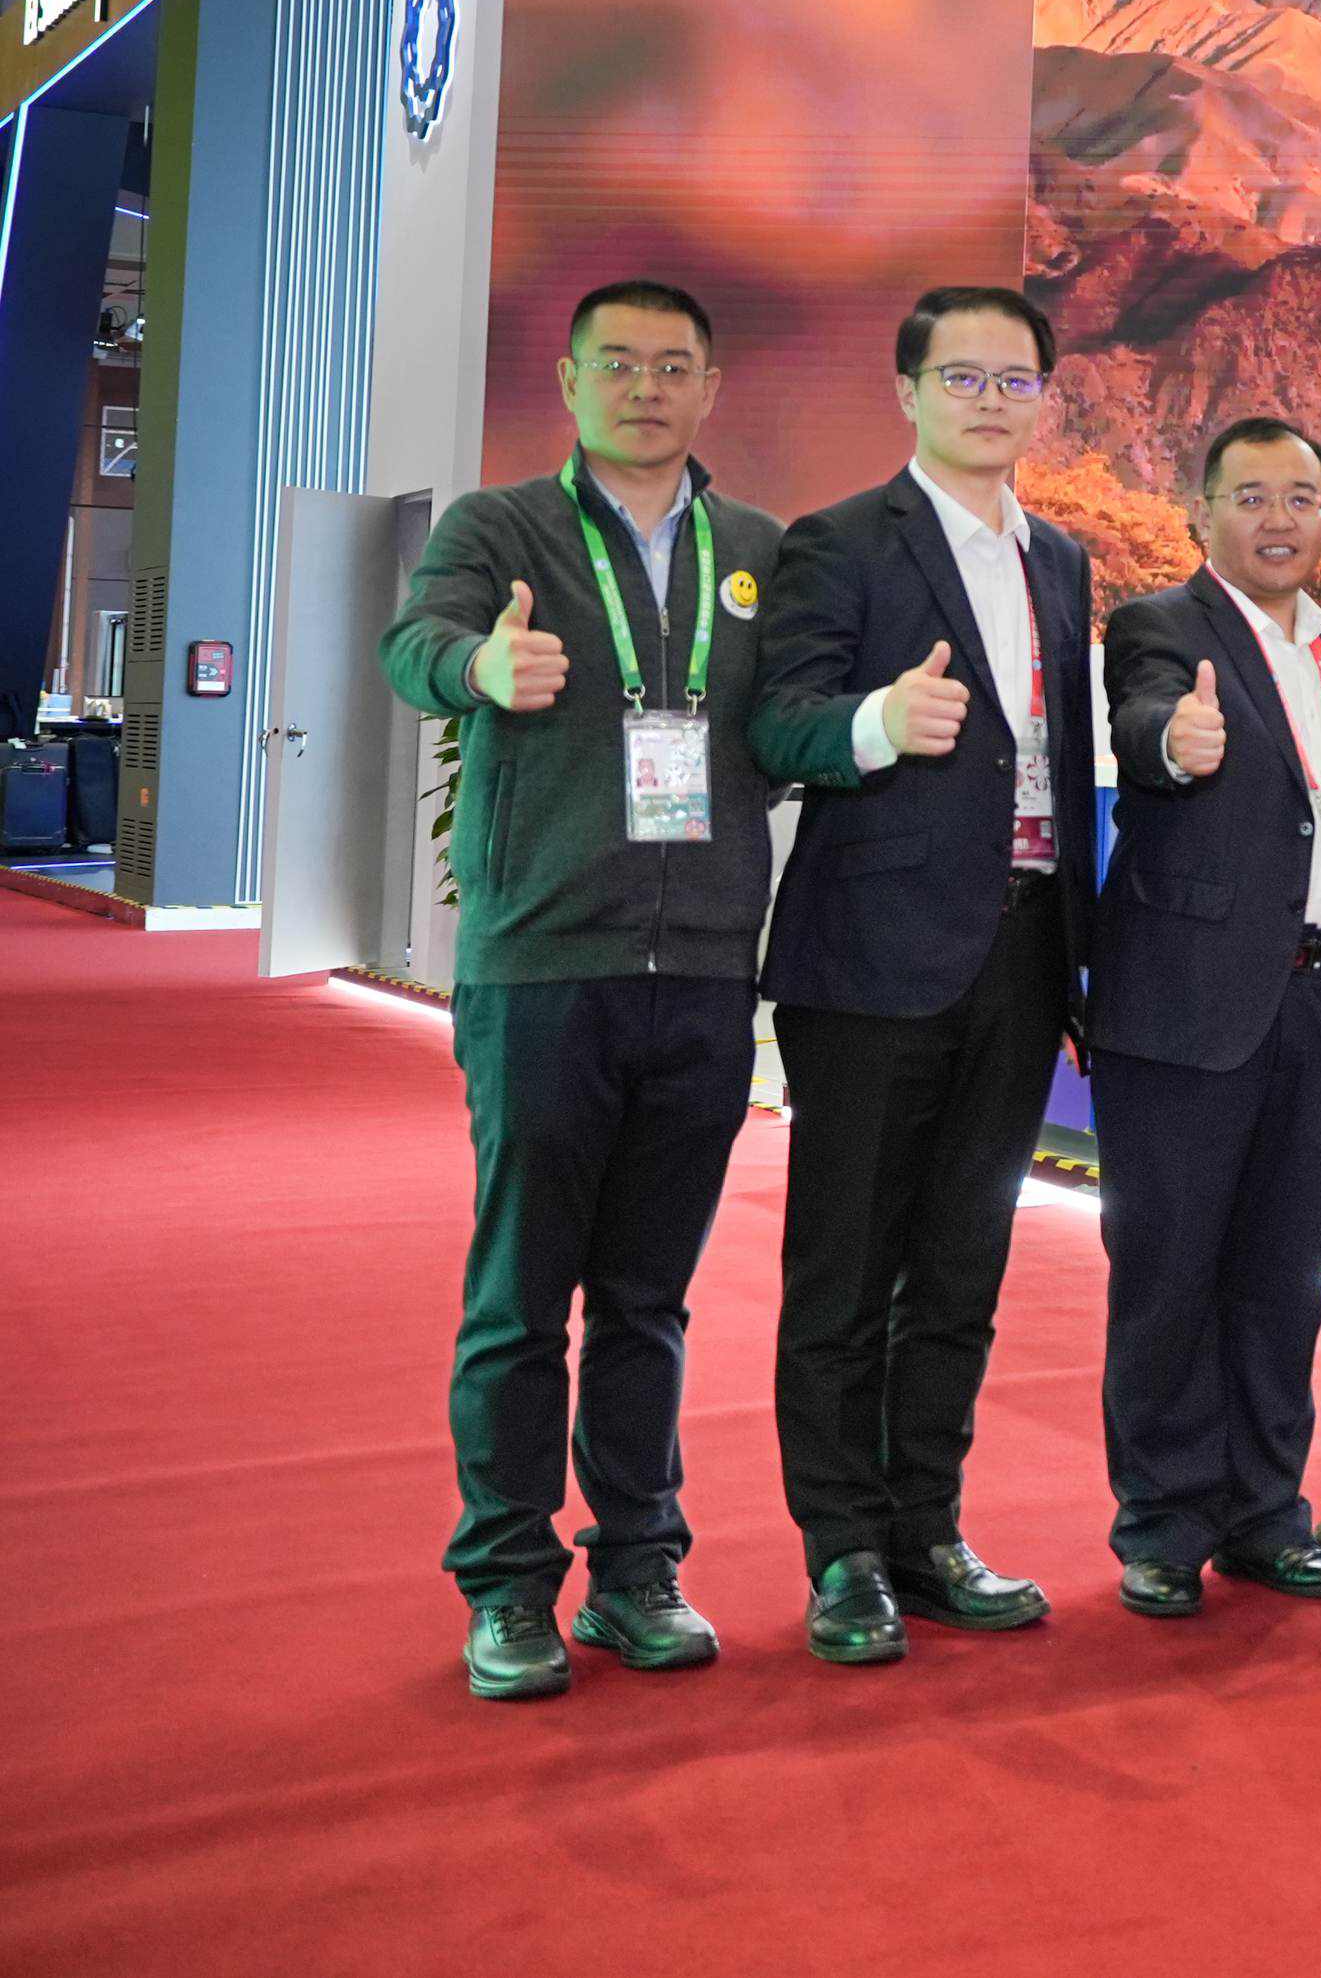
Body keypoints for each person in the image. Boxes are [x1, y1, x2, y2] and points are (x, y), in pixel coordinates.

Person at [383, 281, 848, 1701]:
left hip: (703, 972)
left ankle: (638, 1569)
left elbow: (780, 726)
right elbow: (414, 648)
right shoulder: (500, 529)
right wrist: (478, 662)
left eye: (673, 365)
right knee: (521, 1297)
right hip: (544, 966)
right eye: (619, 363)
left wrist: (872, 725)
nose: (646, 387)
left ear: (710, 387)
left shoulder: (757, 550)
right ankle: (508, 1585)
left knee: (648, 1300)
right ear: (571, 382)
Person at [744, 286, 1098, 1664]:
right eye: (963, 376)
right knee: (844, 1270)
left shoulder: (1060, 558)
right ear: (907, 391)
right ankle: (841, 1550)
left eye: (1016, 379)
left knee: (960, 1267)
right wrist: (880, 721)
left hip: (1022, 953)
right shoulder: (839, 541)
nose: (990, 400)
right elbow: (777, 726)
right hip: (870, 963)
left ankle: (926, 1529)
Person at [1083, 418, 1321, 1617]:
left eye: (1299, 495)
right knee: (1168, 1273)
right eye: (1250, 495)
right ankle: (1163, 1523)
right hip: (1187, 1005)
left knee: (1283, 1277)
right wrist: (1171, 738)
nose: (1277, 518)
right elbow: (1145, 717)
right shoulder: (1160, 626)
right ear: (1202, 510)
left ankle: (1264, 1513)